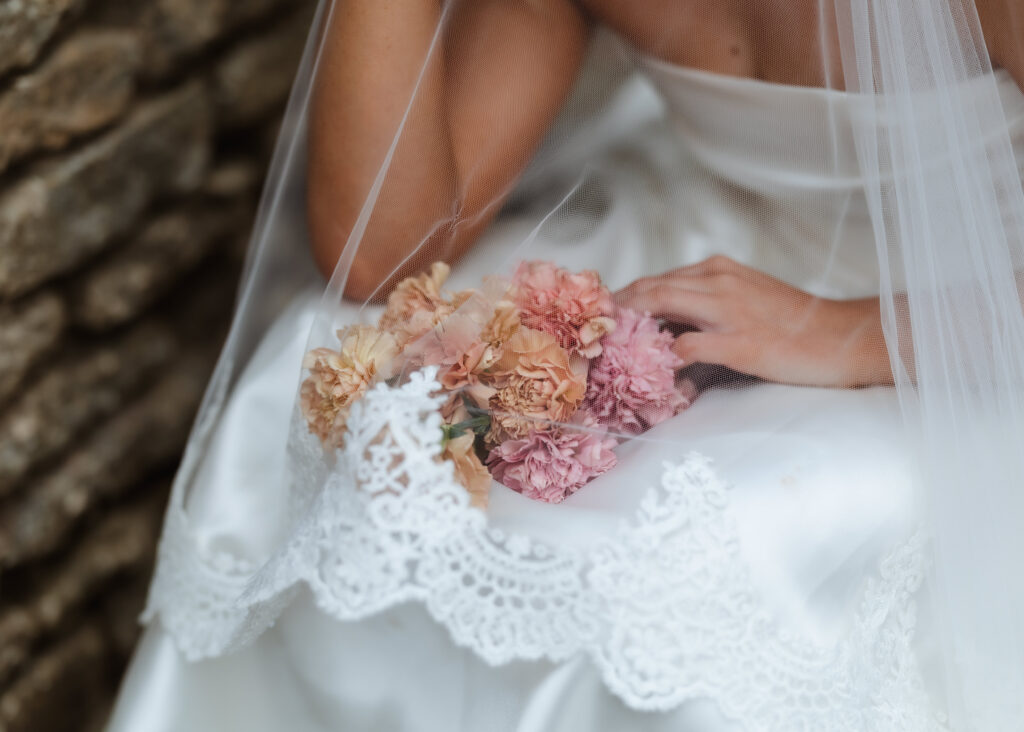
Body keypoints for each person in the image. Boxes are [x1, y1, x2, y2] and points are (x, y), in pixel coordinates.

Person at [107, 2, 1024, 730]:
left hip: (973, 308)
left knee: (724, 553)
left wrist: (850, 334)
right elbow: (380, 249)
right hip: (721, 237)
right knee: (353, 391)